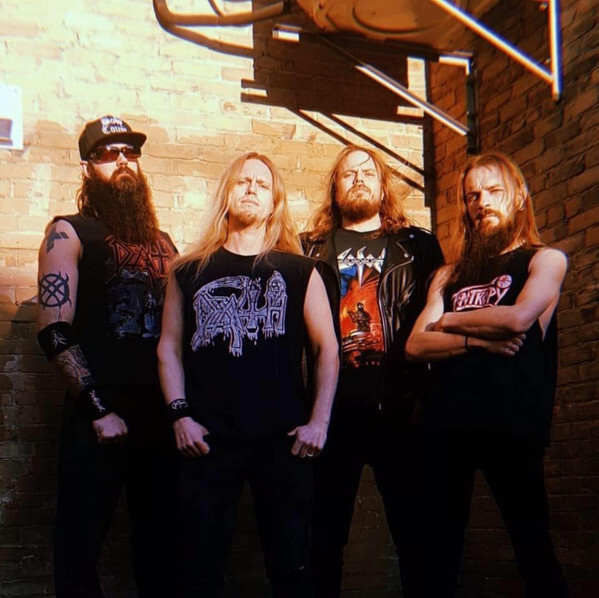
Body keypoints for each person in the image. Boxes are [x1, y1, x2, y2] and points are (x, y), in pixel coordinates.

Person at [157, 152, 339, 598]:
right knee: (198, 570)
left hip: (283, 437)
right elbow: (168, 347)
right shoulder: (188, 271)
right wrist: (180, 415)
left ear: (275, 201)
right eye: (243, 181)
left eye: (262, 183)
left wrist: (319, 422)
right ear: (227, 193)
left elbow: (327, 350)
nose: (252, 189)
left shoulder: (301, 271)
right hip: (208, 437)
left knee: (292, 566)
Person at [406, 151, 569, 597]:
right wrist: (477, 341)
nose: (483, 202)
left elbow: (518, 319)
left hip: (511, 424)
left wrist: (449, 321)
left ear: (518, 197)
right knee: (438, 552)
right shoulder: (447, 275)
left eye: (494, 191)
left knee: (533, 550)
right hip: (447, 424)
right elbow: (416, 345)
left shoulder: (545, 260)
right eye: (473, 195)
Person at [36, 115, 178, 598]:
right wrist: (98, 409)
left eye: (130, 152)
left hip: (158, 415)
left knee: (162, 547)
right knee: (79, 548)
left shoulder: (163, 243)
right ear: (87, 167)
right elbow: (54, 330)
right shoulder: (69, 232)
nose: (122, 160)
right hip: (98, 411)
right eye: (106, 153)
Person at [302, 145, 444, 597]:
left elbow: (436, 321)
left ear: (383, 186)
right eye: (348, 174)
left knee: (417, 535)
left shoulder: (418, 246)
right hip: (330, 411)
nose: (358, 179)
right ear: (335, 189)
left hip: (399, 408)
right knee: (322, 539)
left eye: (368, 172)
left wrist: (426, 402)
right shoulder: (307, 249)